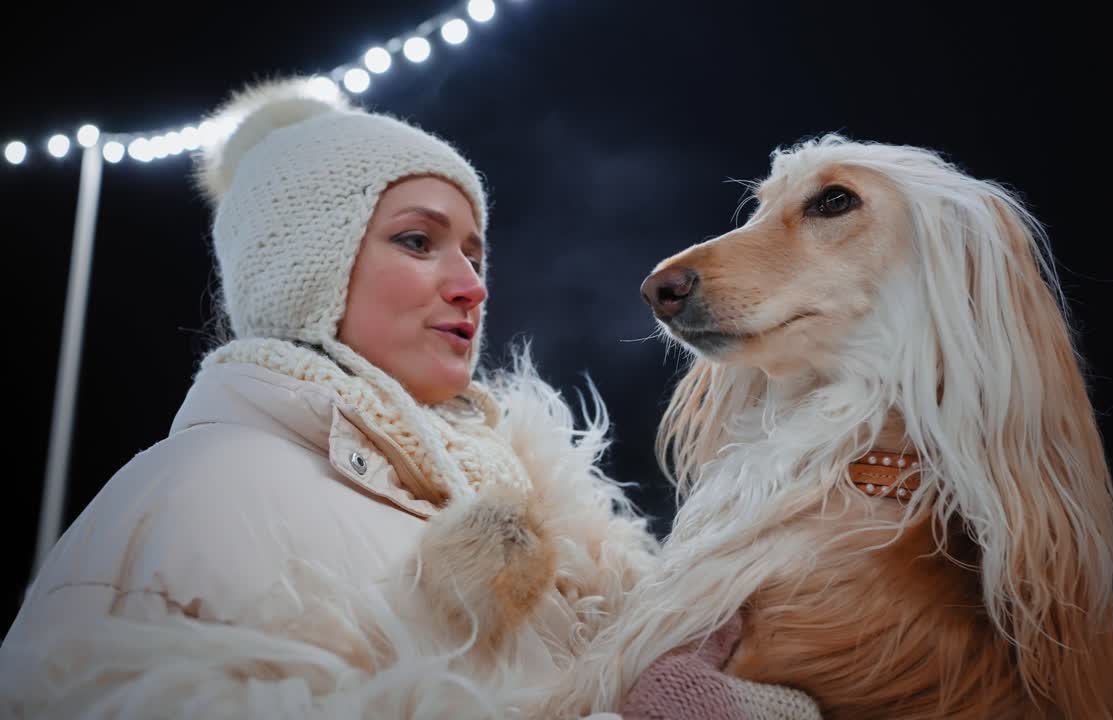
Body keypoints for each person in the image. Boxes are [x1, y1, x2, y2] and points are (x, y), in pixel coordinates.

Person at [0, 77, 819, 719]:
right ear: (306, 269)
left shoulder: (549, 518)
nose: (471, 287)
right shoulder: (191, 495)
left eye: (475, 252)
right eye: (418, 241)